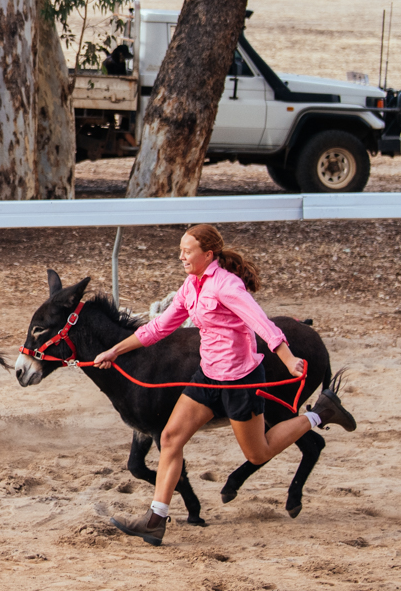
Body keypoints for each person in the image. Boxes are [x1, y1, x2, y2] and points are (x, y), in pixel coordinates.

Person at [97, 224, 356, 546]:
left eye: (187, 251)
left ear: (208, 254)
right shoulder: (191, 286)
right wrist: (114, 350)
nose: (181, 256)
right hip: (207, 377)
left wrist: (288, 359)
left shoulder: (227, 286)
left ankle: (320, 414)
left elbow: (261, 322)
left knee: (258, 453)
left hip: (241, 381)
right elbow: (159, 327)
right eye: (180, 250)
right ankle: (155, 520)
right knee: (170, 438)